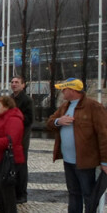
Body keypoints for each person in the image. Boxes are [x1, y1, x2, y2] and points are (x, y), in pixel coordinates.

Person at [47, 78, 107, 213]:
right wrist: (58, 121)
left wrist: (105, 161)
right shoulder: (65, 106)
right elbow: (49, 122)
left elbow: (104, 135)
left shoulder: (94, 107)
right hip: (68, 160)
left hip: (86, 161)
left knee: (88, 195)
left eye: (64, 89)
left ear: (73, 90)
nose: (62, 92)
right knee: (73, 193)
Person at [10, 76, 33, 203]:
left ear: (23, 85)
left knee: (21, 166)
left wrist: (15, 116)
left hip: (22, 138)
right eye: (12, 82)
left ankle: (22, 193)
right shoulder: (10, 98)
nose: (14, 84)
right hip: (11, 137)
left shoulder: (27, 100)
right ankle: (14, 191)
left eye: (17, 82)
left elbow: (29, 119)